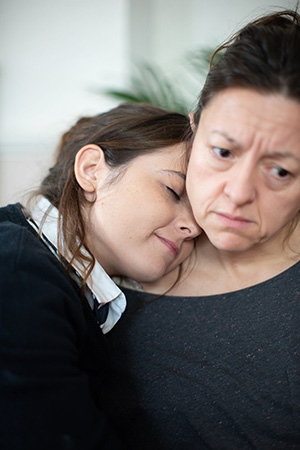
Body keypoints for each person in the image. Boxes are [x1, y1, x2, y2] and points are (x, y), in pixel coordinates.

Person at [102, 9, 300, 449]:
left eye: (281, 171)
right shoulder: (120, 245)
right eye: (223, 151)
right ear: (193, 126)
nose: (239, 192)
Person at [0, 102, 201, 449]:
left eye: (200, 213)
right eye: (173, 191)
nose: (193, 227)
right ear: (92, 170)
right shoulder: (17, 269)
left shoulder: (77, 290)